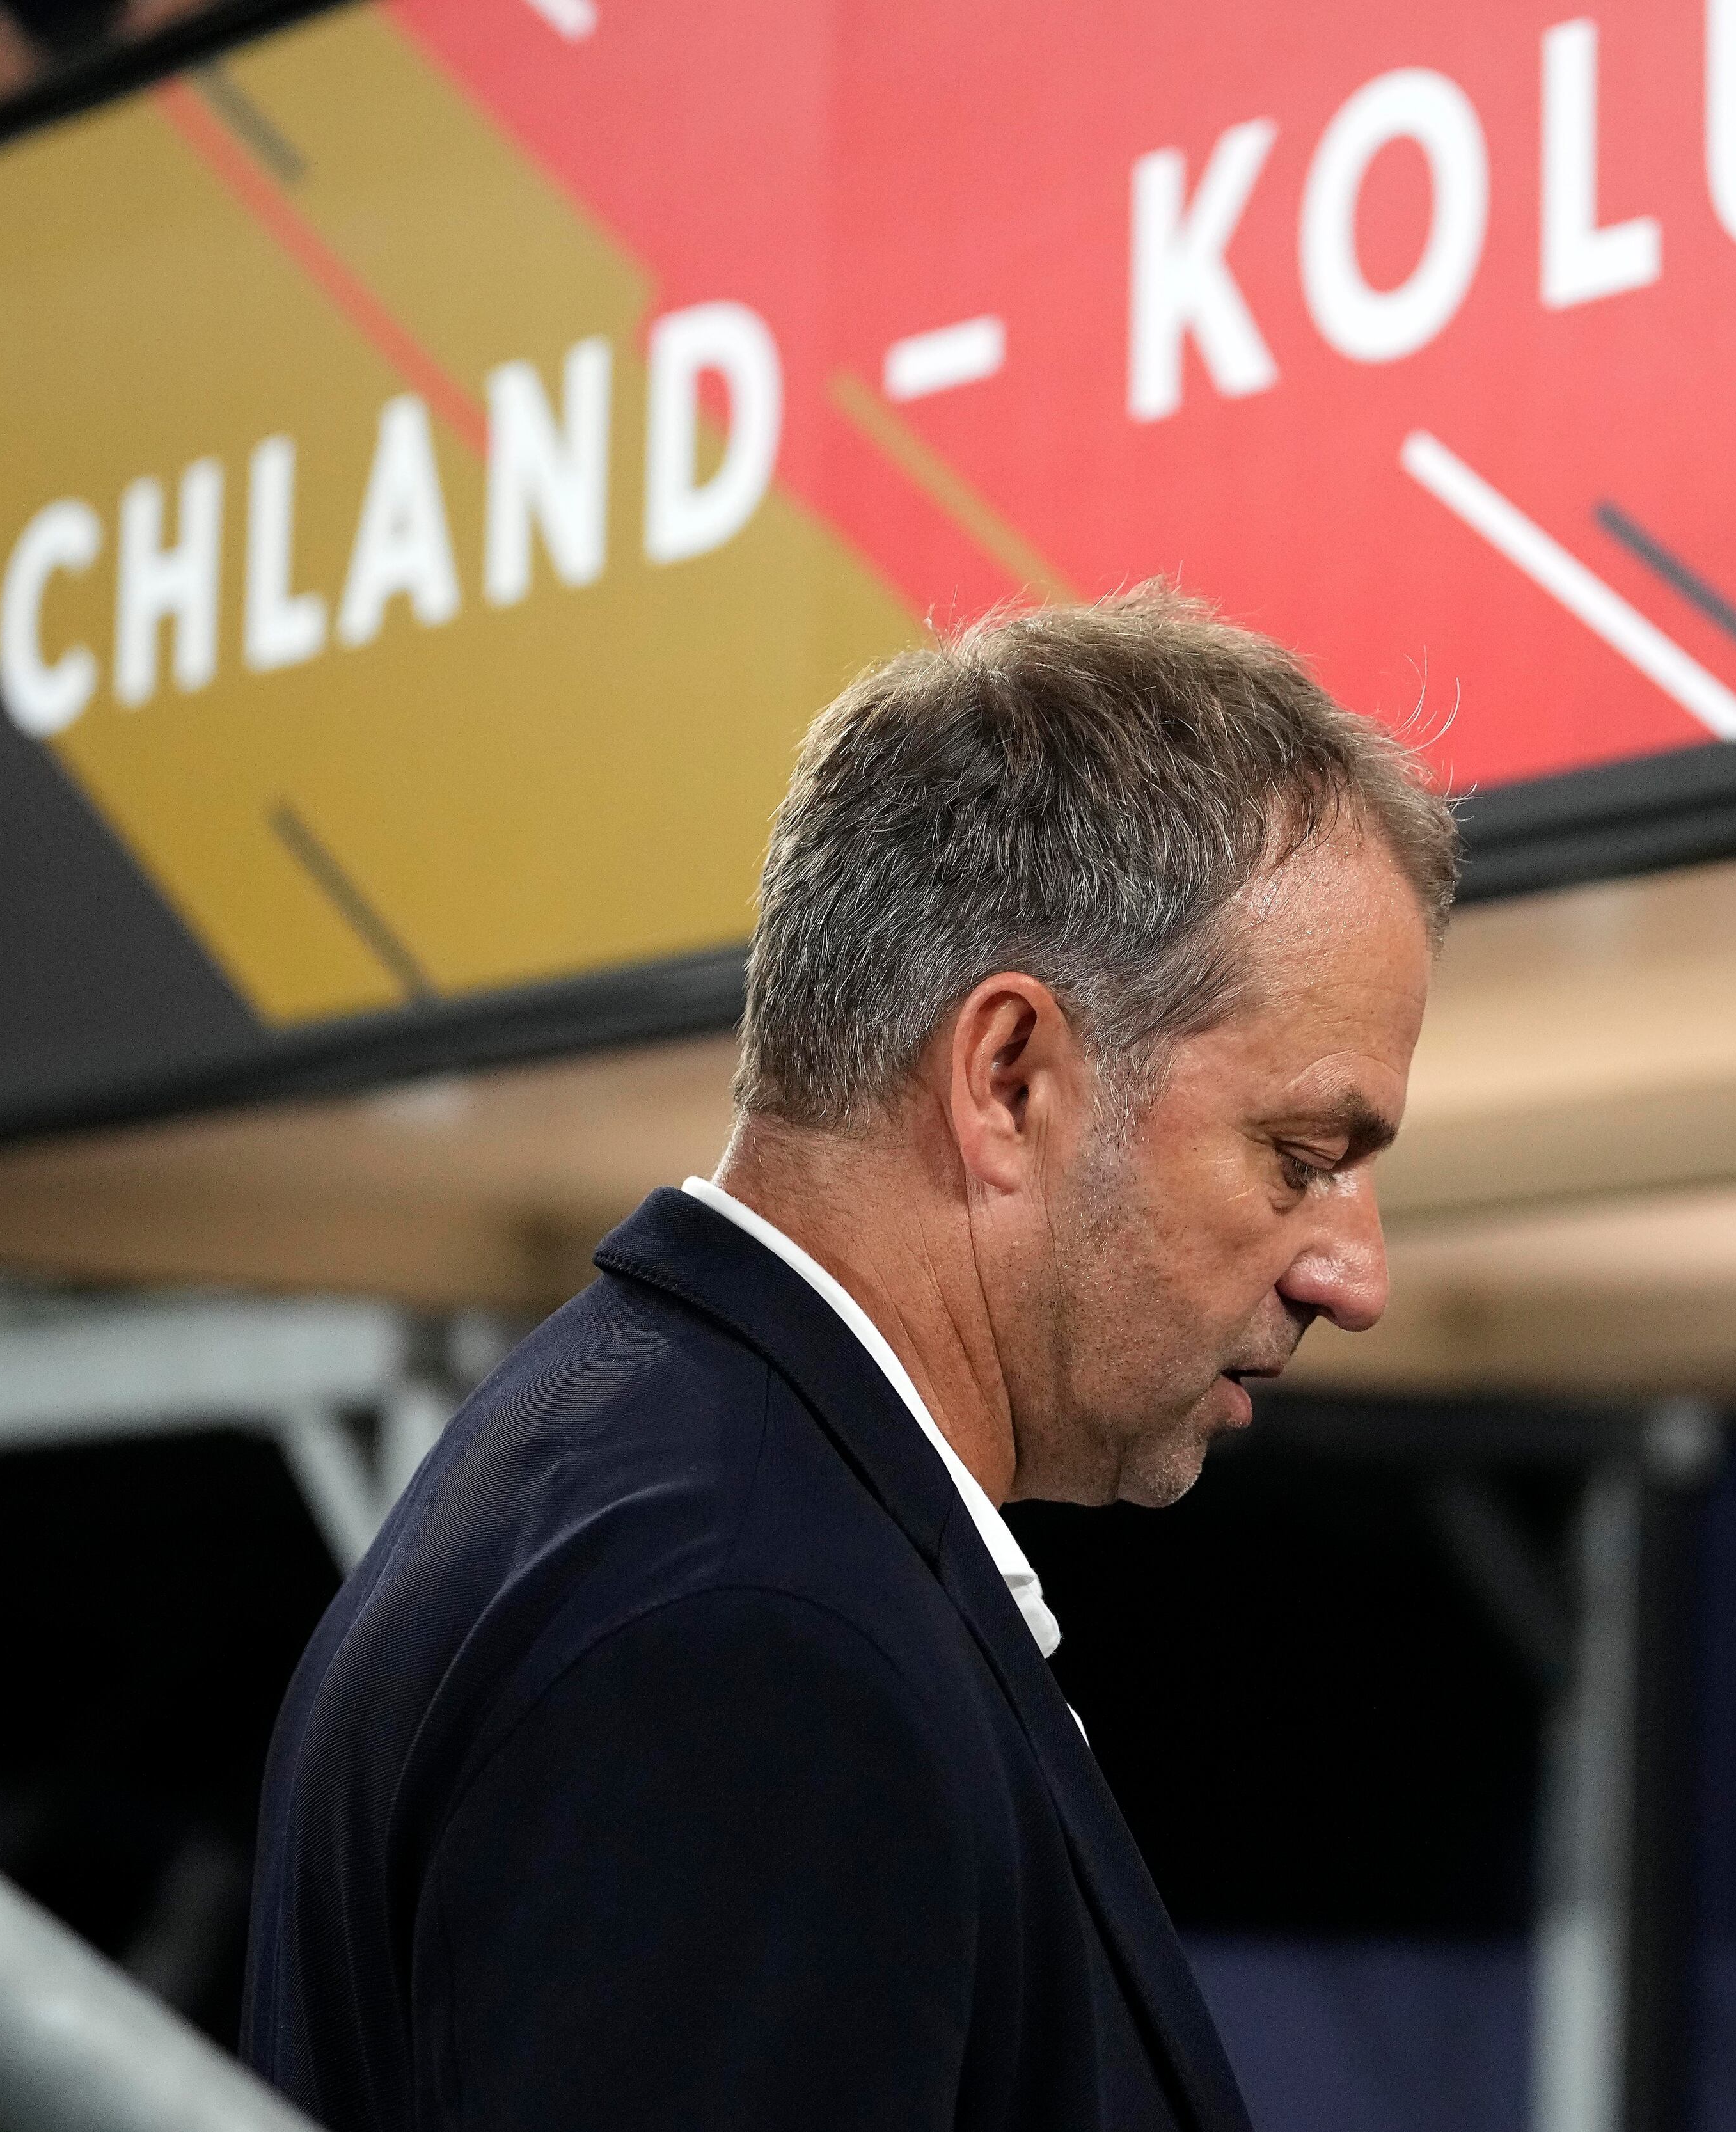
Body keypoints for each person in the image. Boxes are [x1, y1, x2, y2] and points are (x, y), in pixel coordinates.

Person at [241, 587, 1459, 2131]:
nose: (1354, 1271)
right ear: (1007, 1075)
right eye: (1300, 1152)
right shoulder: (746, 1628)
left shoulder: (650, 1484)